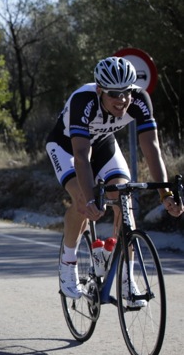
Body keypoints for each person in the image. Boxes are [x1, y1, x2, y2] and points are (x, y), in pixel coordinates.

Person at [46, 56, 182, 305]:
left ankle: (126, 279)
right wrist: (89, 199)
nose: (122, 100)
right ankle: (68, 262)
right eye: (113, 94)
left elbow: (151, 147)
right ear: (100, 91)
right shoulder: (83, 101)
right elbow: (81, 156)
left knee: (123, 199)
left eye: (126, 92)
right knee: (81, 201)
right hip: (67, 148)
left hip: (104, 144)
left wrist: (165, 194)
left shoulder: (139, 99)